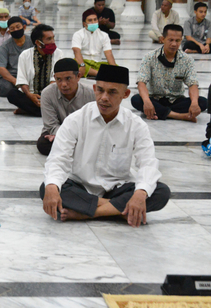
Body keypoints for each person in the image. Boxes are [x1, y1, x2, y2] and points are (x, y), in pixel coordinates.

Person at [41, 65, 171, 227]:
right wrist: (52, 187)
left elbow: (148, 163)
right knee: (48, 187)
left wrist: (140, 193)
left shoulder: (136, 125)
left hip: (118, 187)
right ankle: (116, 209)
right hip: (80, 185)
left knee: (160, 192)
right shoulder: (76, 120)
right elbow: (58, 158)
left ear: (125, 94)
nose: (103, 97)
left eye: (112, 92)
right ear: (94, 88)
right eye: (100, 90)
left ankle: (88, 213)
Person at [131, 24, 207, 122]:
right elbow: (141, 83)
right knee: (136, 99)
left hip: (176, 100)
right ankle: (179, 116)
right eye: (170, 40)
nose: (174, 44)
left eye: (177, 40)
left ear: (181, 40)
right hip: (155, 98)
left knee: (202, 102)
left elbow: (192, 84)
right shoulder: (149, 57)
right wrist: (147, 101)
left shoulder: (187, 60)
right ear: (163, 39)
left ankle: (160, 112)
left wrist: (194, 103)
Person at [37, 58, 95, 156]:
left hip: (83, 134)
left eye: (68, 78)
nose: (63, 84)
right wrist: (68, 137)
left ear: (78, 76)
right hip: (57, 133)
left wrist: (77, 138)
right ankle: (78, 150)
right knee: (43, 144)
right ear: (54, 78)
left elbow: (94, 124)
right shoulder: (47, 93)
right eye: (59, 79)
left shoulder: (91, 94)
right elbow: (51, 125)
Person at [7, 24, 64, 116]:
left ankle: (30, 110)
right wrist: (30, 95)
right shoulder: (25, 55)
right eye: (49, 39)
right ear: (38, 42)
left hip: (51, 95)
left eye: (53, 38)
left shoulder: (58, 53)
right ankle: (44, 111)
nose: (53, 42)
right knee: (12, 94)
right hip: (31, 96)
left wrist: (45, 98)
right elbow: (22, 80)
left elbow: (55, 80)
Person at [0, 17, 33, 96]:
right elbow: (1, 68)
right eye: (12, 28)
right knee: (6, 89)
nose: (15, 30)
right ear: (9, 32)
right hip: (11, 75)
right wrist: (16, 81)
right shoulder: (5, 46)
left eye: (18, 27)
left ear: (24, 27)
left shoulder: (32, 42)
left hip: (28, 74)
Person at [72, 9, 117, 77]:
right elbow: (76, 52)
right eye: (90, 20)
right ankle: (100, 73)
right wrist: (82, 65)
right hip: (84, 62)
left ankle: (97, 73)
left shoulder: (104, 35)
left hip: (98, 64)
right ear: (84, 23)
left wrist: (114, 68)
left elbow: (109, 53)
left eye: (95, 20)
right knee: (74, 63)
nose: (93, 22)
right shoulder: (78, 34)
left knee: (117, 68)